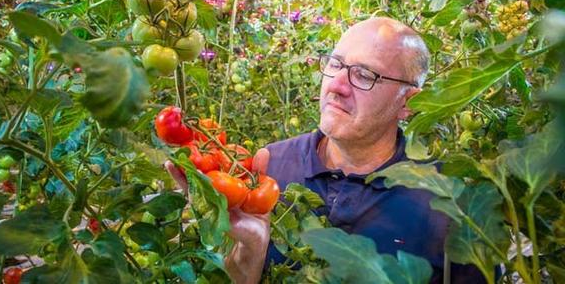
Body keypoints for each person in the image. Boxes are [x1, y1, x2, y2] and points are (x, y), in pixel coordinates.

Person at [166, 17, 486, 283]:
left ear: (408, 102)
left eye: (364, 75)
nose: (336, 85)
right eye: (335, 64)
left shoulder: (450, 204)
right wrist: (246, 255)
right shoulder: (263, 171)